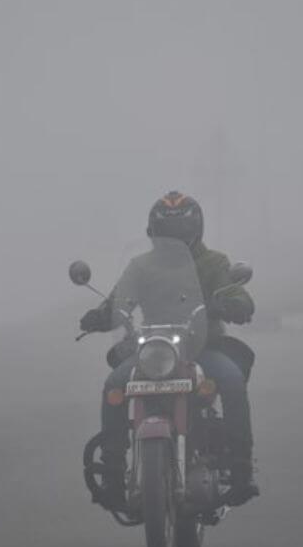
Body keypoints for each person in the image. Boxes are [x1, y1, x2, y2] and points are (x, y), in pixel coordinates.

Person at [79, 191, 259, 508]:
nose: (172, 240)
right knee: (114, 385)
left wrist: (232, 304)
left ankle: (241, 468)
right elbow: (119, 299)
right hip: (152, 350)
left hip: (203, 346)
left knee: (230, 379)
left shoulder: (214, 262)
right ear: (153, 234)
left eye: (181, 234)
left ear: (195, 233)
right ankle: (112, 471)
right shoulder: (140, 265)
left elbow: (239, 296)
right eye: (166, 234)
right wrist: (101, 315)